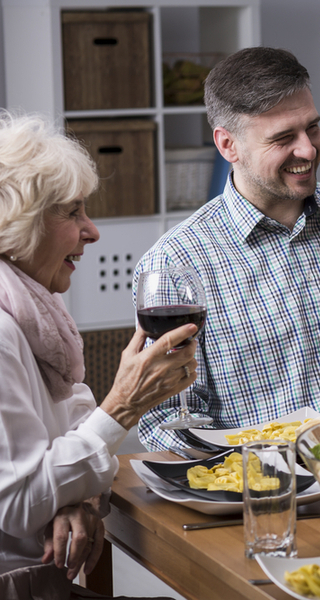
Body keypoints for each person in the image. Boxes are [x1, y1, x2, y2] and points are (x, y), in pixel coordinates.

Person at [133, 48, 320, 452]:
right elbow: (164, 422)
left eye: (312, 128)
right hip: (259, 495)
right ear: (228, 145)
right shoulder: (176, 262)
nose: (308, 150)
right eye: (283, 138)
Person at [0, 112, 196, 595]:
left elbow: (73, 425)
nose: (92, 231)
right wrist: (124, 404)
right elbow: (21, 503)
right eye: (72, 213)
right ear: (17, 220)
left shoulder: (35, 309)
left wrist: (75, 500)